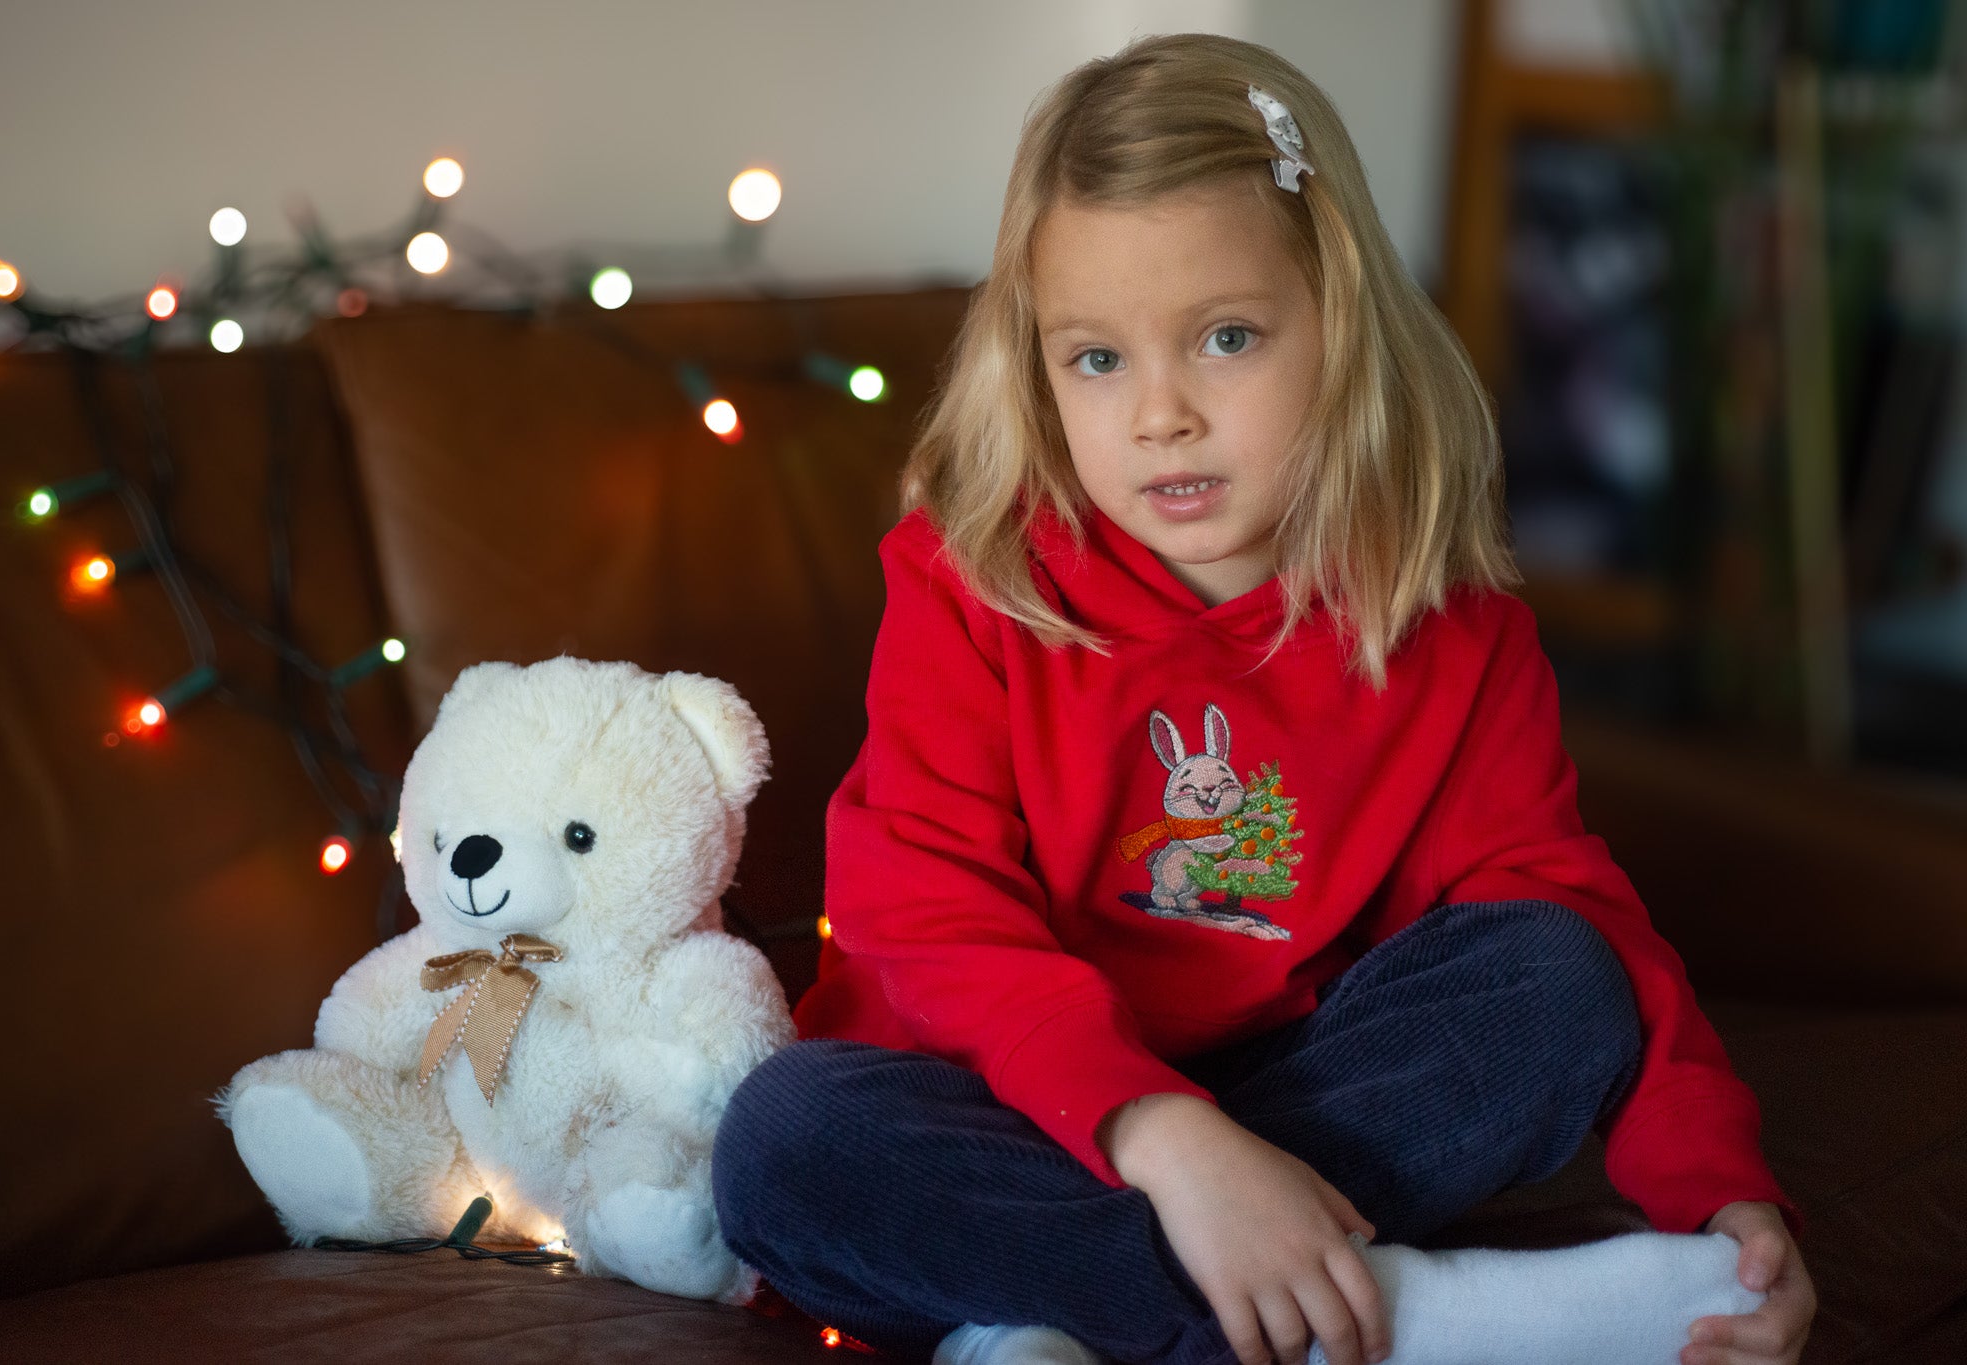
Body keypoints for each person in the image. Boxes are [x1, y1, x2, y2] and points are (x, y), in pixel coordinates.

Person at [711, 32, 1814, 1365]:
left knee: (1554, 982)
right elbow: (923, 912)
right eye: (1096, 359)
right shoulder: (972, 583)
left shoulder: (1448, 628)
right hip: (1007, 1100)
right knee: (782, 1143)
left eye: (1225, 337)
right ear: (1035, 362)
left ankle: (1061, 1318)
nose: (1160, 413)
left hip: (1294, 1100)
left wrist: (1723, 1195)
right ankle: (1394, 1315)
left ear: (1339, 321)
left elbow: (1568, 915)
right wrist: (1161, 1137)